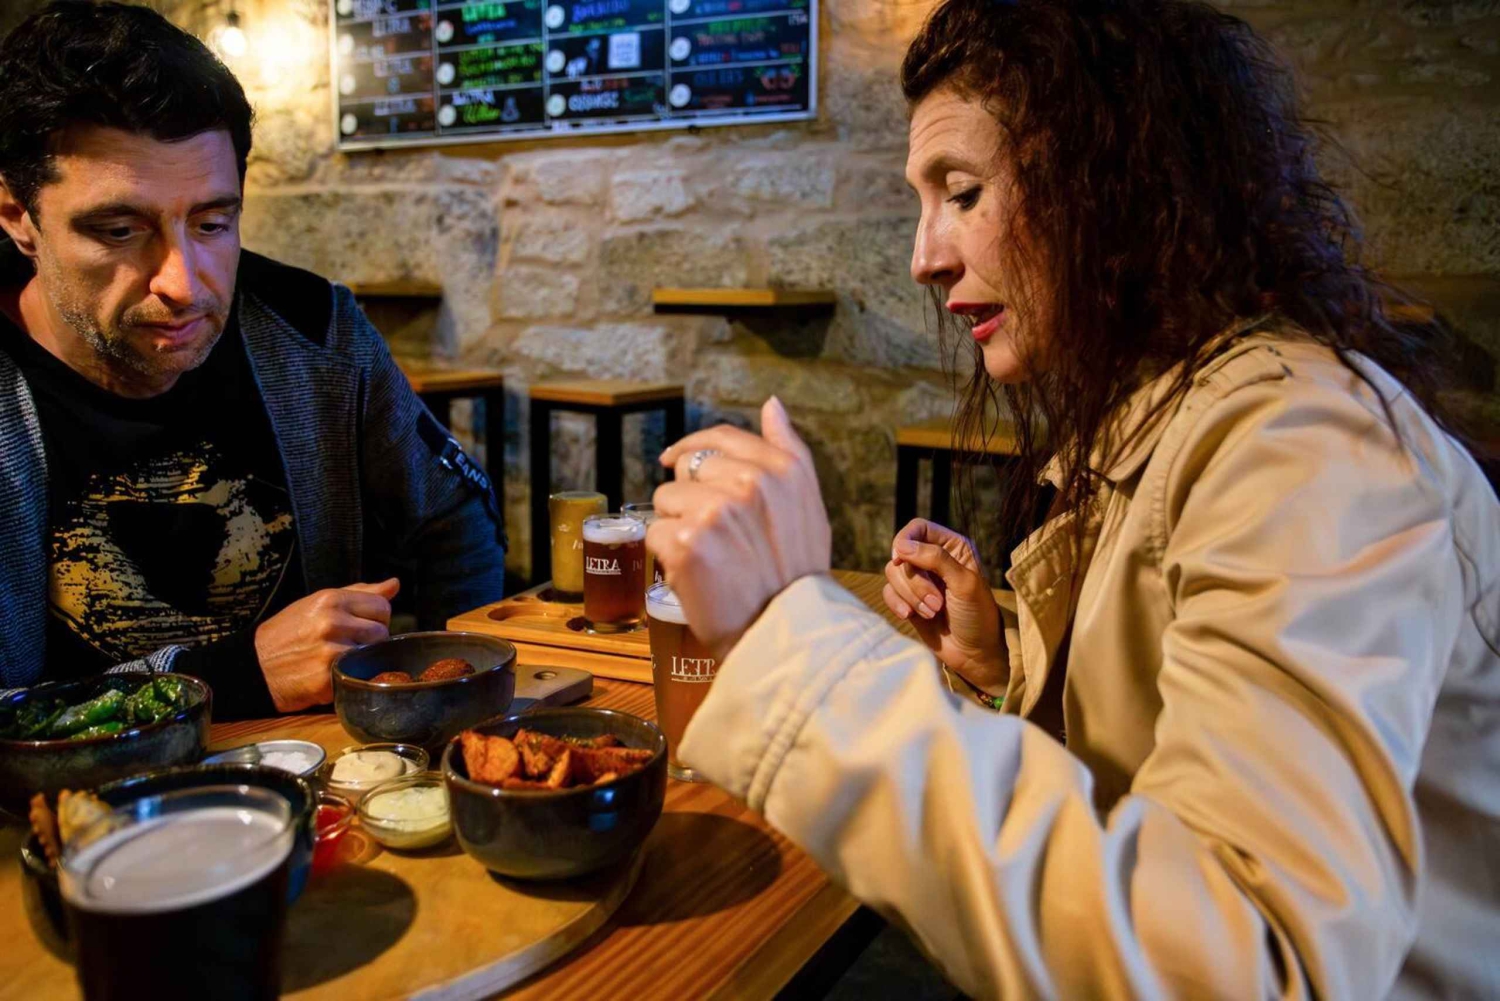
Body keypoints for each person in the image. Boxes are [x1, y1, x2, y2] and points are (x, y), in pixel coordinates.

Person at [647, 1, 1500, 997]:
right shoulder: (1170, 406)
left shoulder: (1301, 443)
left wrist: (790, 628)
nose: (925, 257)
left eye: (963, 193)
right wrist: (1004, 667)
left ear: (1113, 181)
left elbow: (1250, 963)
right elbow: (1164, 756)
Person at [0, 2, 506, 718]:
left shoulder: (316, 332)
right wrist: (232, 678)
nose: (184, 282)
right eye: (118, 230)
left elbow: (453, 520)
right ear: (17, 216)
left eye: (213, 223)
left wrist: (456, 714)